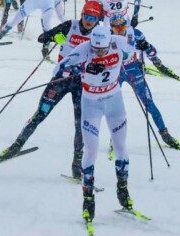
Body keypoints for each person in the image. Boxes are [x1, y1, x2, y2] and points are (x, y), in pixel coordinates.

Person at [0, 1, 104, 178]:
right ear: (82, 14)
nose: (89, 21)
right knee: (41, 113)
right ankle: (17, 145)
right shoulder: (69, 26)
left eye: (93, 18)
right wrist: (55, 37)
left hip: (82, 84)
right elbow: (42, 37)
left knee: (80, 125)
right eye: (87, 16)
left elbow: (105, 60)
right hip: (61, 79)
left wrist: (95, 68)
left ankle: (77, 163)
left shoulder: (100, 34)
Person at [57, 25, 135, 223]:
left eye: (103, 49)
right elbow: (58, 67)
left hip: (114, 102)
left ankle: (123, 190)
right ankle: (88, 200)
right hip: (91, 104)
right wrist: (82, 67)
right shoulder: (84, 48)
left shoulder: (117, 42)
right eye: (96, 48)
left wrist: (137, 42)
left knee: (121, 147)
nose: (98, 52)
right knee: (91, 150)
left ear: (110, 42)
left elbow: (133, 47)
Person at [109, 13, 180, 150]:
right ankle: (114, 137)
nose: (119, 29)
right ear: (110, 27)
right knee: (114, 106)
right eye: (116, 26)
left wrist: (158, 64)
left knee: (149, 104)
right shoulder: (107, 37)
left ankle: (165, 134)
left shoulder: (135, 34)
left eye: (122, 25)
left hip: (133, 71)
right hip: (116, 72)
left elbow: (150, 50)